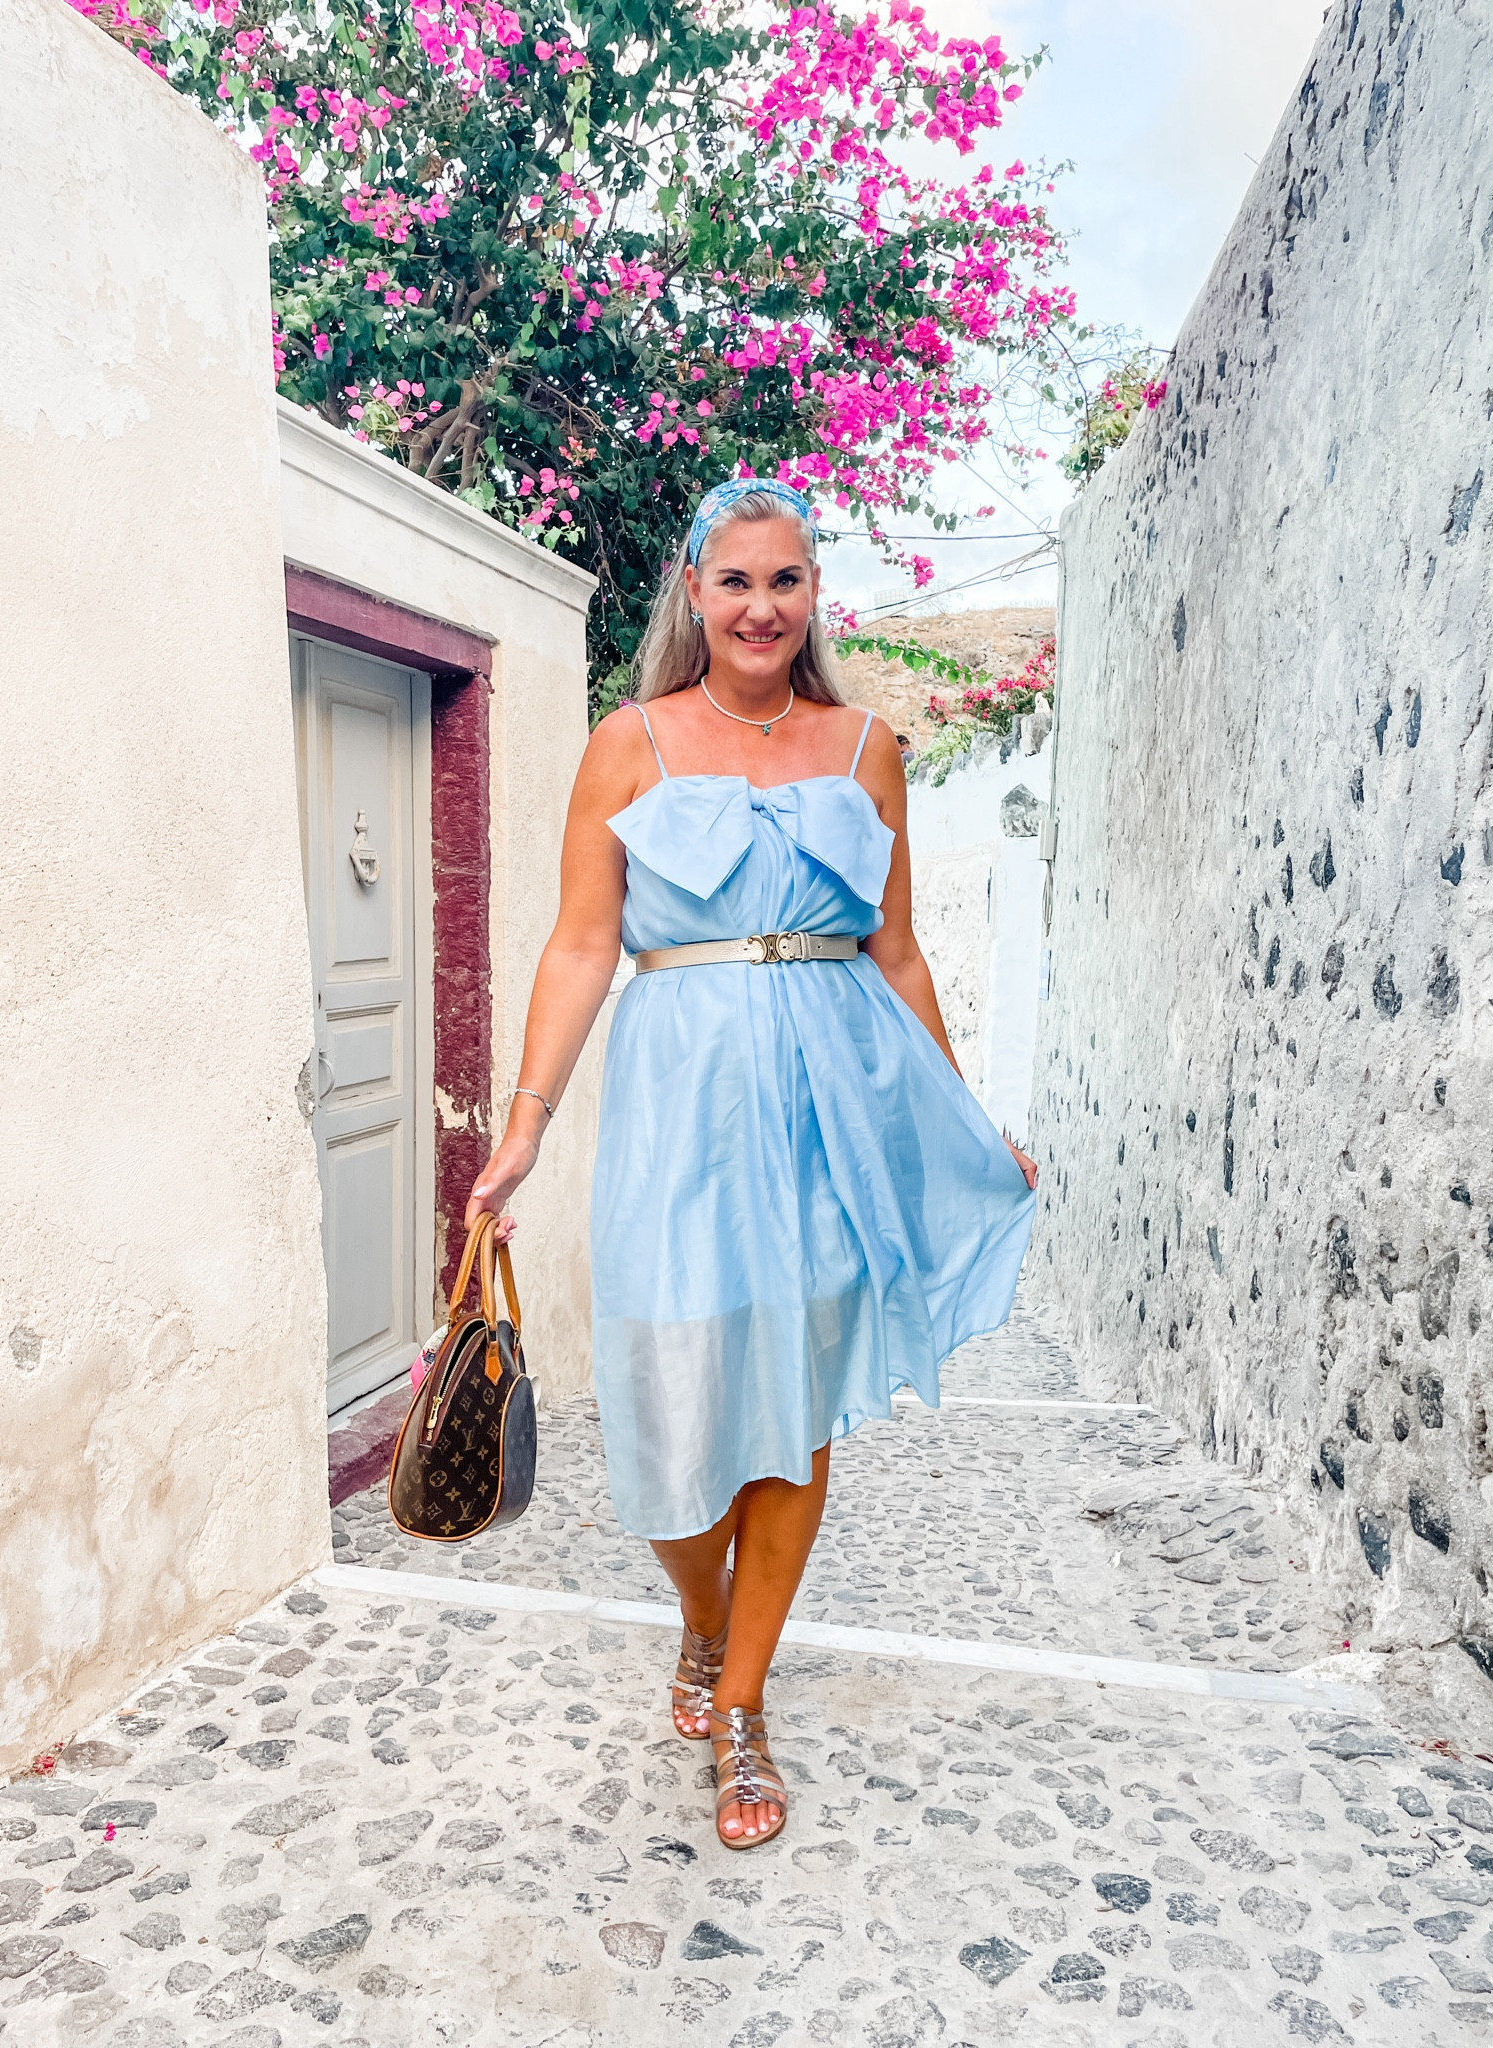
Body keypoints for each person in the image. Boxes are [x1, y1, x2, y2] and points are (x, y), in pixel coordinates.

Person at [465, 479, 1037, 1851]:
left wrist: (955, 1116)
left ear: (812, 597)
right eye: (737, 582)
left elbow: (894, 952)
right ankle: (704, 1614)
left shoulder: (864, 750)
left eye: (786, 582)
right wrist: (528, 1118)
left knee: (794, 1412)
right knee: (668, 1414)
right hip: (683, 1110)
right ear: (693, 591)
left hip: (833, 1115)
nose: (762, 608)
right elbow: (581, 944)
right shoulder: (633, 744)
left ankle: (741, 1706)